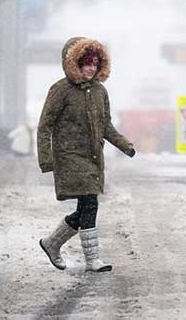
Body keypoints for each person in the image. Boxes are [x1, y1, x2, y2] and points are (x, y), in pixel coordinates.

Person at [37, 37, 135, 272]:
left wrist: (124, 144)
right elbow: (45, 125)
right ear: (74, 63)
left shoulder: (100, 91)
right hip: (70, 156)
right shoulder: (60, 90)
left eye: (95, 63)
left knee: (85, 208)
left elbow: (106, 125)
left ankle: (52, 243)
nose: (91, 67)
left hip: (93, 157)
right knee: (90, 203)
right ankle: (92, 260)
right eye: (86, 63)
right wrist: (46, 158)